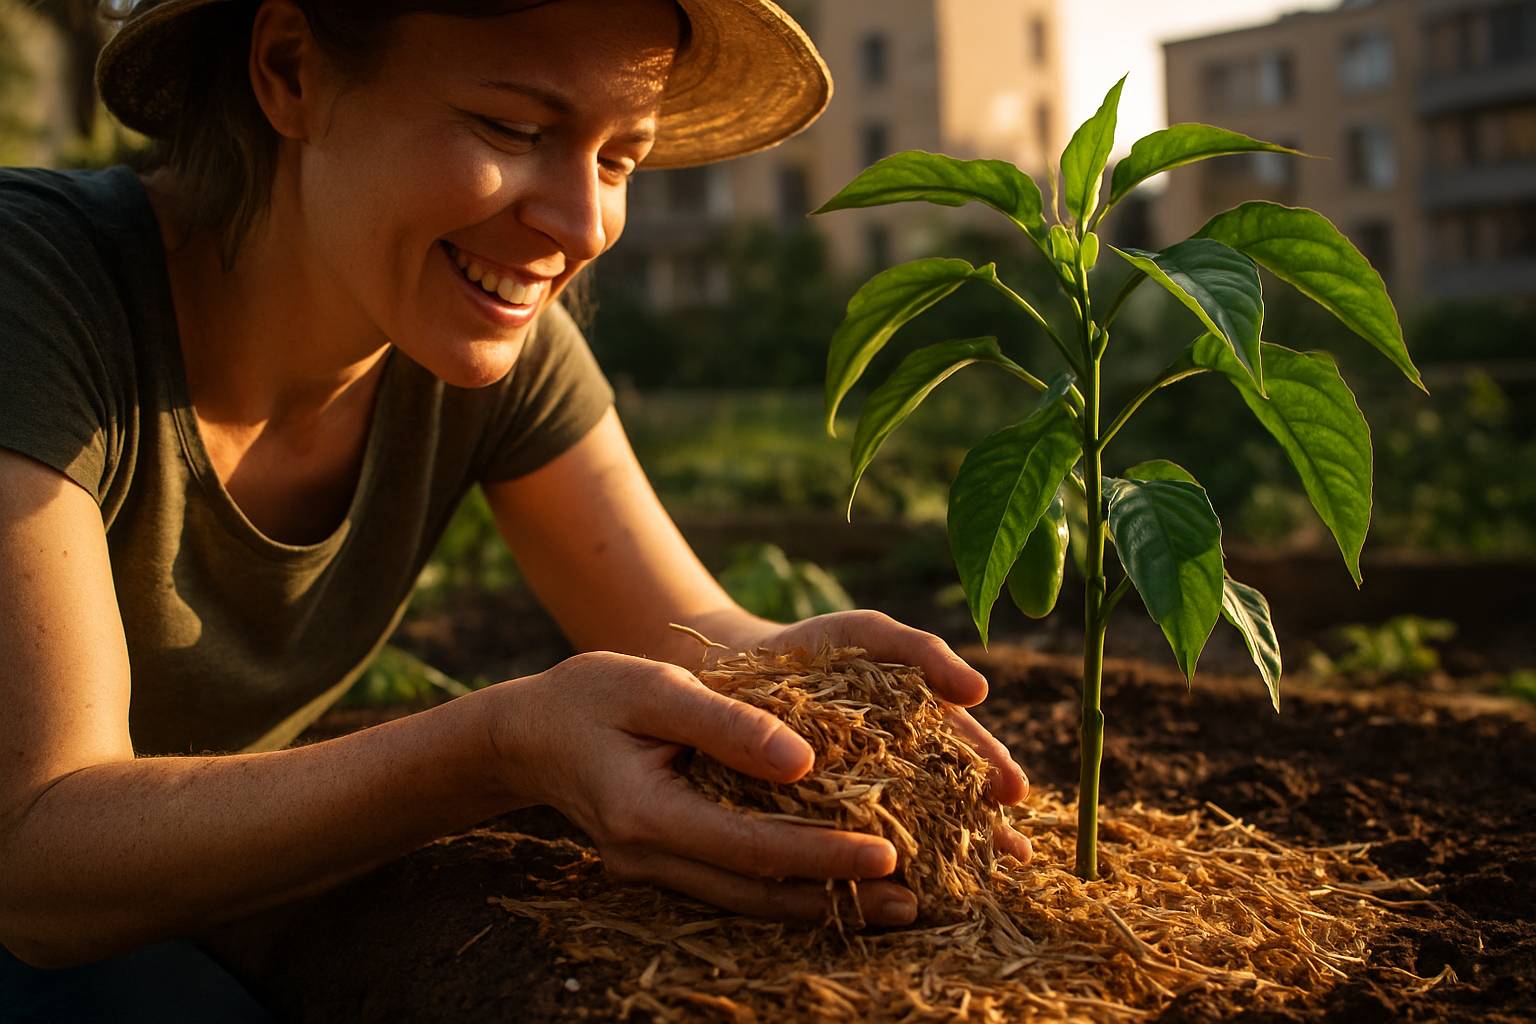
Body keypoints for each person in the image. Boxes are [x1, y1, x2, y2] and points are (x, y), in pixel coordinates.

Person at [0, 0, 1033, 1017]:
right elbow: (34, 860)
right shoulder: (36, 291)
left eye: (619, 159)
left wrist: (816, 686)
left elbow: (692, 632)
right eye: (512, 129)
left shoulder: (480, 333)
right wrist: (496, 747)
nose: (583, 227)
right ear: (290, 71)